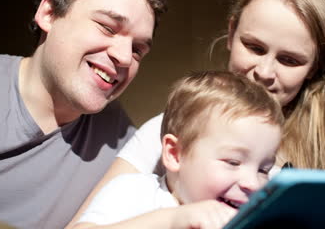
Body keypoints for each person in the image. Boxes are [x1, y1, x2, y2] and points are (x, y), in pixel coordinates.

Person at [68, 0, 325, 227]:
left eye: (289, 60)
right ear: (232, 34)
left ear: (314, 68)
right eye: (254, 47)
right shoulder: (170, 130)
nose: (264, 71)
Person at [0, 0, 166, 228]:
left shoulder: (124, 146)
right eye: (107, 27)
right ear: (49, 13)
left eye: (137, 49)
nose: (124, 57)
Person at [74, 70, 283, 228]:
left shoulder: (252, 219)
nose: (253, 184)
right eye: (233, 162)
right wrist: (173, 219)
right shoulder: (137, 193)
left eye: (263, 169)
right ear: (175, 154)